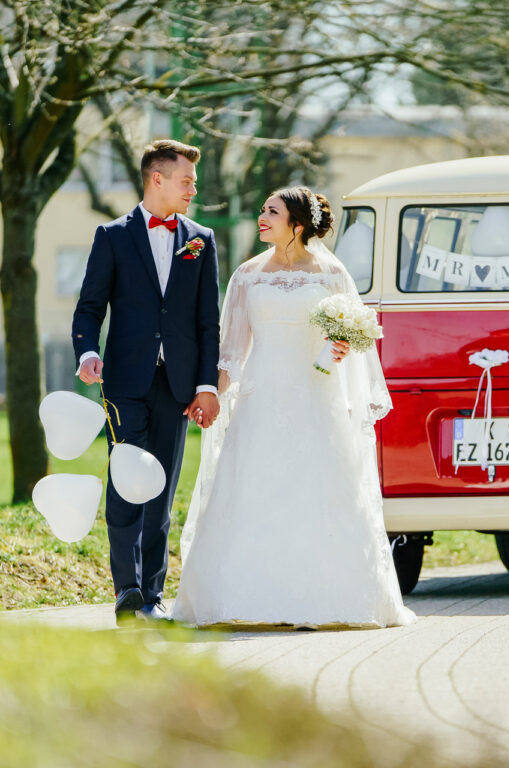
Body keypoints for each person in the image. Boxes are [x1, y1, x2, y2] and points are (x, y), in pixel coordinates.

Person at [172, 186, 415, 628]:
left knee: (318, 489)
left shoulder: (331, 273)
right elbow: (231, 351)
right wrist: (210, 390)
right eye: (262, 209)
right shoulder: (247, 275)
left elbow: (353, 339)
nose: (261, 216)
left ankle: (327, 600)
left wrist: (343, 347)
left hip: (315, 394)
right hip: (260, 396)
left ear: (297, 225)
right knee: (253, 487)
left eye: (272, 211)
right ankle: (240, 601)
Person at [72, 139, 221, 625]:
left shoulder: (202, 239)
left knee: (161, 490)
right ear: (157, 178)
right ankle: (127, 592)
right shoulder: (112, 236)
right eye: (186, 180)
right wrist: (88, 351)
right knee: (126, 486)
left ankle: (153, 594)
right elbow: (91, 305)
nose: (193, 189)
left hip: (177, 386)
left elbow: (207, 322)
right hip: (125, 383)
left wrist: (206, 385)